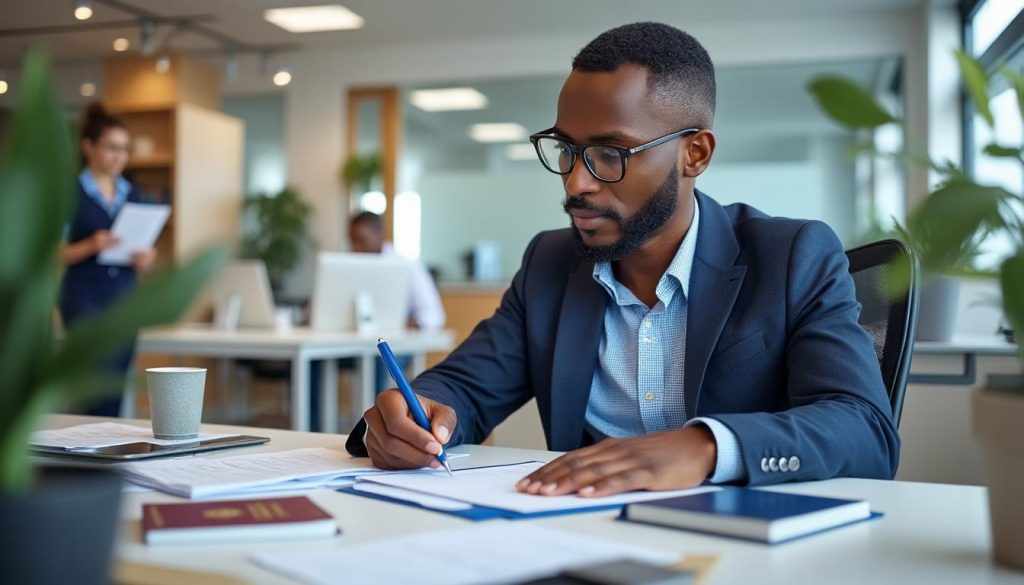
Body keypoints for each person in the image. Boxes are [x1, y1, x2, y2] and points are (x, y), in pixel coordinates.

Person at [347, 22, 899, 495]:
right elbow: (464, 387)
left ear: (695, 153)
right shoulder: (549, 262)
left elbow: (864, 429)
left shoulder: (791, 256)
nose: (576, 181)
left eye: (610, 153)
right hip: (587, 533)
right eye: (567, 149)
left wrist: (706, 448)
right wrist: (412, 413)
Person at [60, 103, 158, 417]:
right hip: (85, 296)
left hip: (124, 297)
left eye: (124, 149)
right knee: (93, 381)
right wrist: (91, 244)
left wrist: (147, 259)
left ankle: (110, 452)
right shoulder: (69, 194)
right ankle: (88, 451)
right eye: (111, 147)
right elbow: (55, 253)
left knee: (116, 381)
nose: (119, 156)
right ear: (89, 147)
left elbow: (145, 253)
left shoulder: (134, 194)